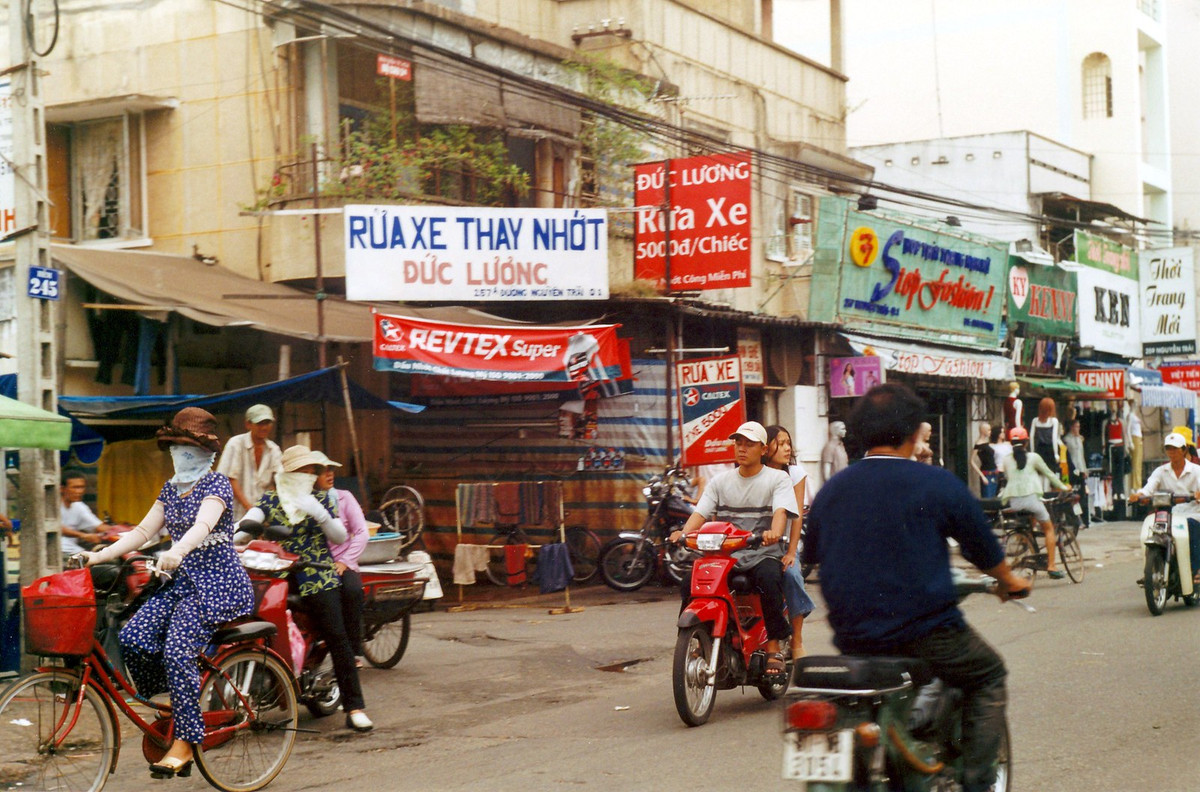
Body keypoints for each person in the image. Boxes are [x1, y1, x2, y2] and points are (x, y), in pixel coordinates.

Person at [803, 384, 1030, 792]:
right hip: (927, 634)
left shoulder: (831, 492)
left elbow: (813, 553)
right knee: (989, 674)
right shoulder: (935, 484)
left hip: (854, 640)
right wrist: (1009, 580)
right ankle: (979, 783)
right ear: (913, 433)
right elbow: (982, 546)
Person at [82, 408, 255, 778]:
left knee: (178, 649)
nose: (181, 454)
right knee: (133, 637)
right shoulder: (169, 488)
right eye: (176, 447)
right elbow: (142, 532)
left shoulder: (217, 485)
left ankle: (186, 742)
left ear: (207, 453)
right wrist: (98, 554)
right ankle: (179, 703)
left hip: (217, 583)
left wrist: (177, 550)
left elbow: (203, 525)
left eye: (188, 447)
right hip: (180, 583)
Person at [242, 445, 373, 732]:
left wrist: (321, 515)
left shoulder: (321, 499)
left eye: (311, 470)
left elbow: (340, 535)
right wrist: (234, 536)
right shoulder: (271, 499)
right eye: (305, 469)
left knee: (336, 635)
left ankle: (354, 706)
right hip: (275, 569)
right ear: (289, 472)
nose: (310, 474)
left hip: (315, 571)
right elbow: (248, 522)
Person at [669, 421, 798, 678]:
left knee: (769, 579)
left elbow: (781, 513)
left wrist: (773, 532)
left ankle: (773, 646)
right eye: (738, 442)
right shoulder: (720, 481)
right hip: (726, 555)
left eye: (749, 444)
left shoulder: (777, 479)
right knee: (689, 585)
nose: (742, 448)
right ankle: (695, 640)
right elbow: (700, 513)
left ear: (763, 449)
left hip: (762, 551)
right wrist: (683, 534)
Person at [763, 425, 815, 659]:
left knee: (792, 575)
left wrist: (792, 552)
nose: (786, 448)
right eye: (780, 443)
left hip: (784, 543)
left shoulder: (794, 473)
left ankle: (797, 637)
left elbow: (796, 517)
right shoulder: (755, 470)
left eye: (788, 443)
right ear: (766, 447)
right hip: (754, 543)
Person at [312, 452, 370, 665]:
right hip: (315, 563)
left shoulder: (345, 497)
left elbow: (362, 532)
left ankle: (355, 650)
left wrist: (345, 561)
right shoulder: (306, 500)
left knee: (352, 591)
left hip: (344, 563)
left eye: (331, 470)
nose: (329, 474)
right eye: (323, 471)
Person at [999, 426, 1071, 579]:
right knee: (1049, 528)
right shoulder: (1034, 457)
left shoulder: (1006, 460)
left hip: (1014, 502)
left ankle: (1028, 539)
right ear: (1026, 442)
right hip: (1031, 500)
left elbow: (1009, 477)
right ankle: (1051, 566)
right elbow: (1049, 474)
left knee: (1030, 517)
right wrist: (1064, 487)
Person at [1130, 432, 1200, 586]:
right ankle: (1150, 570)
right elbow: (1149, 487)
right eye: (1168, 448)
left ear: (1184, 449)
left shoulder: (1196, 470)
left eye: (1175, 449)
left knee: (1193, 529)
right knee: (1151, 532)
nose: (1171, 452)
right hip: (1170, 514)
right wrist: (1139, 495)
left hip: (1193, 514)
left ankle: (1196, 569)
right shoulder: (1161, 471)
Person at [216, 404, 283, 520]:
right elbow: (230, 479)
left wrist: (265, 510)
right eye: (259, 423)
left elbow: (279, 481)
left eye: (267, 423)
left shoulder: (274, 449)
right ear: (248, 424)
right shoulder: (235, 444)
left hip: (262, 515)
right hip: (234, 514)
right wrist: (249, 508)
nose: (264, 427)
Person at [60, 469, 104, 558]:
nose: (79, 491)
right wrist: (83, 535)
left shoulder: (79, 506)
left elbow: (99, 526)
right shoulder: (51, 505)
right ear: (62, 488)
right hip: (58, 552)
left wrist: (121, 531)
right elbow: (57, 527)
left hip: (75, 551)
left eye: (81, 487)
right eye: (75, 487)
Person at [1029, 397, 1064, 484]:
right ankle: (1047, 491)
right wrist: (1056, 453)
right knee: (1049, 472)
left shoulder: (1035, 421)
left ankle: (1042, 491)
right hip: (1050, 449)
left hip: (1039, 449)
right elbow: (1054, 438)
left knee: (1040, 472)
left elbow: (1031, 437)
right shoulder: (1053, 421)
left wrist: (1032, 451)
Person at [1063, 419, 1091, 528]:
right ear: (1071, 427)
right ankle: (1075, 520)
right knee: (1074, 496)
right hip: (1073, 471)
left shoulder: (1079, 439)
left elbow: (1081, 456)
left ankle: (1084, 520)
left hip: (1080, 470)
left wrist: (1084, 469)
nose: (1077, 429)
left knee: (1082, 495)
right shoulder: (1067, 440)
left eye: (1079, 427)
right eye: (1076, 427)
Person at [971, 422, 999, 498]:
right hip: (986, 473)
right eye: (988, 430)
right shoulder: (978, 444)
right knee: (987, 496)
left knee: (994, 496)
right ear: (983, 431)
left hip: (994, 472)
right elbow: (972, 461)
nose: (990, 432)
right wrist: (982, 476)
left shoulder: (987, 443)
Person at [819, 421, 849, 485]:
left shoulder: (840, 446)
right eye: (842, 429)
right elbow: (826, 472)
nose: (845, 431)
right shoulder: (830, 447)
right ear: (836, 430)